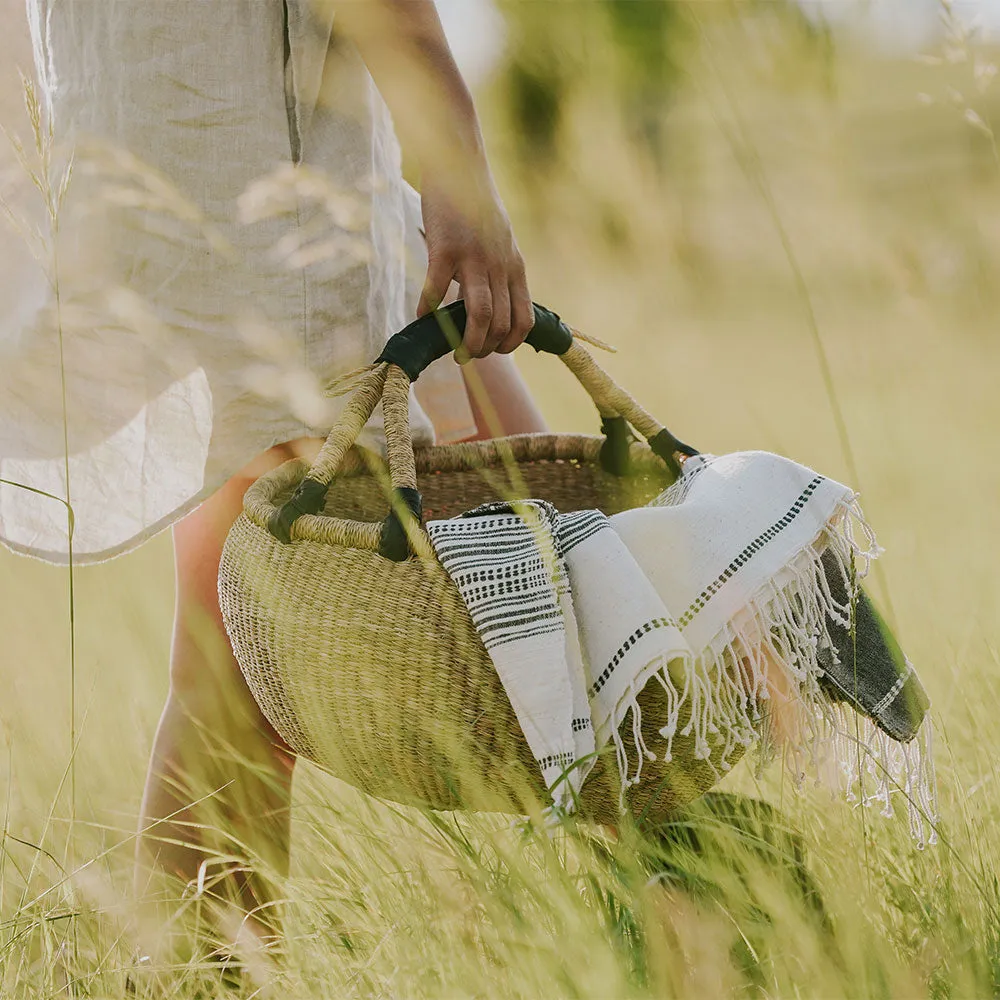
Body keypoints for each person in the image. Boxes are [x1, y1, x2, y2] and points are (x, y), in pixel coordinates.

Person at [2, 0, 544, 949]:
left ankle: (683, 897)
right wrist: (457, 171)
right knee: (237, 659)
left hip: (178, 145)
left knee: (234, 647)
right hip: (256, 184)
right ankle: (695, 909)